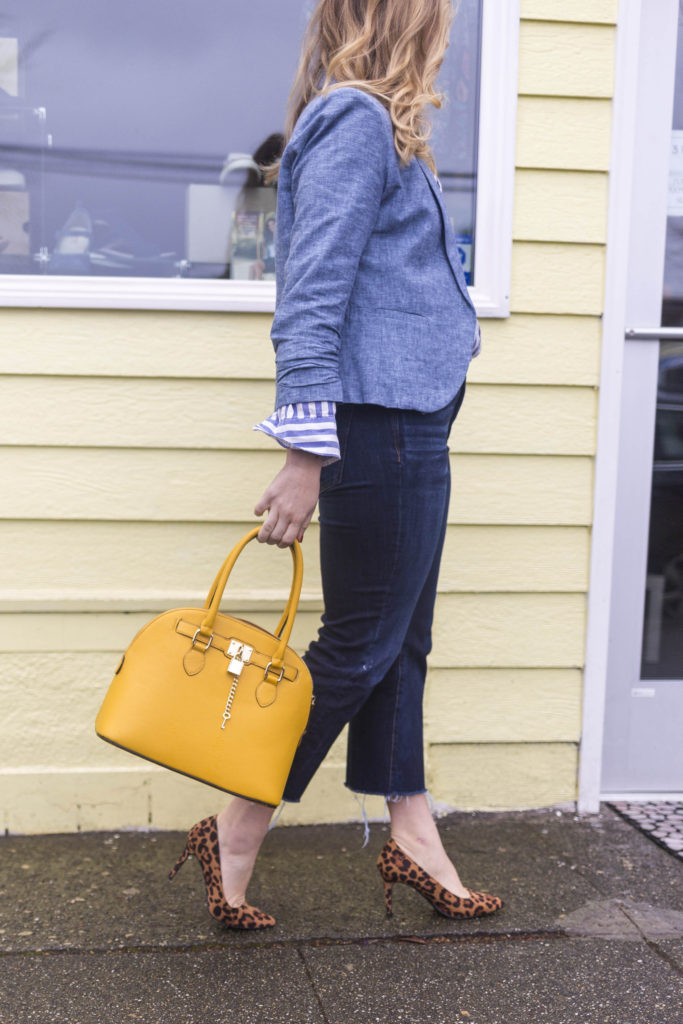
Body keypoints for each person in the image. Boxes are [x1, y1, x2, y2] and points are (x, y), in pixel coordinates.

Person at [169, 0, 502, 930]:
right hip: (375, 426)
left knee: (399, 645)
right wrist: (305, 455)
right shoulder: (352, 121)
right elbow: (309, 293)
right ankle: (232, 830)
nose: (447, 38)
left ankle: (412, 835)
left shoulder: (381, 127)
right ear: (405, 24)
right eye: (437, 20)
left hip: (409, 423)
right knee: (355, 648)